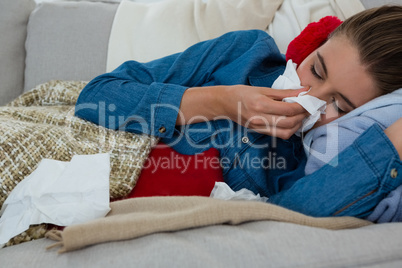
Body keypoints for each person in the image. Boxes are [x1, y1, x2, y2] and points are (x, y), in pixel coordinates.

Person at [75, 6, 402, 219]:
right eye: (316, 69)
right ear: (315, 45)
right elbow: (95, 97)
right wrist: (221, 101)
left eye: (340, 105)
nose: (308, 96)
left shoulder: (319, 164)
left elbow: (295, 218)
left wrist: (392, 140)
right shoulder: (247, 52)